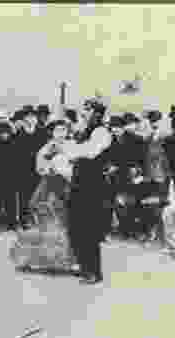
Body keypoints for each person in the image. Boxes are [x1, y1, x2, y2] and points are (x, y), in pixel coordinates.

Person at [61, 99, 114, 285]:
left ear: (97, 113)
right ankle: (85, 267)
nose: (84, 113)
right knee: (76, 227)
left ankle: (93, 271)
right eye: (84, 110)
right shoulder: (84, 131)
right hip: (80, 183)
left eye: (88, 110)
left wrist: (71, 149)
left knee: (88, 229)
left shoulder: (101, 132)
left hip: (93, 186)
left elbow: (90, 152)